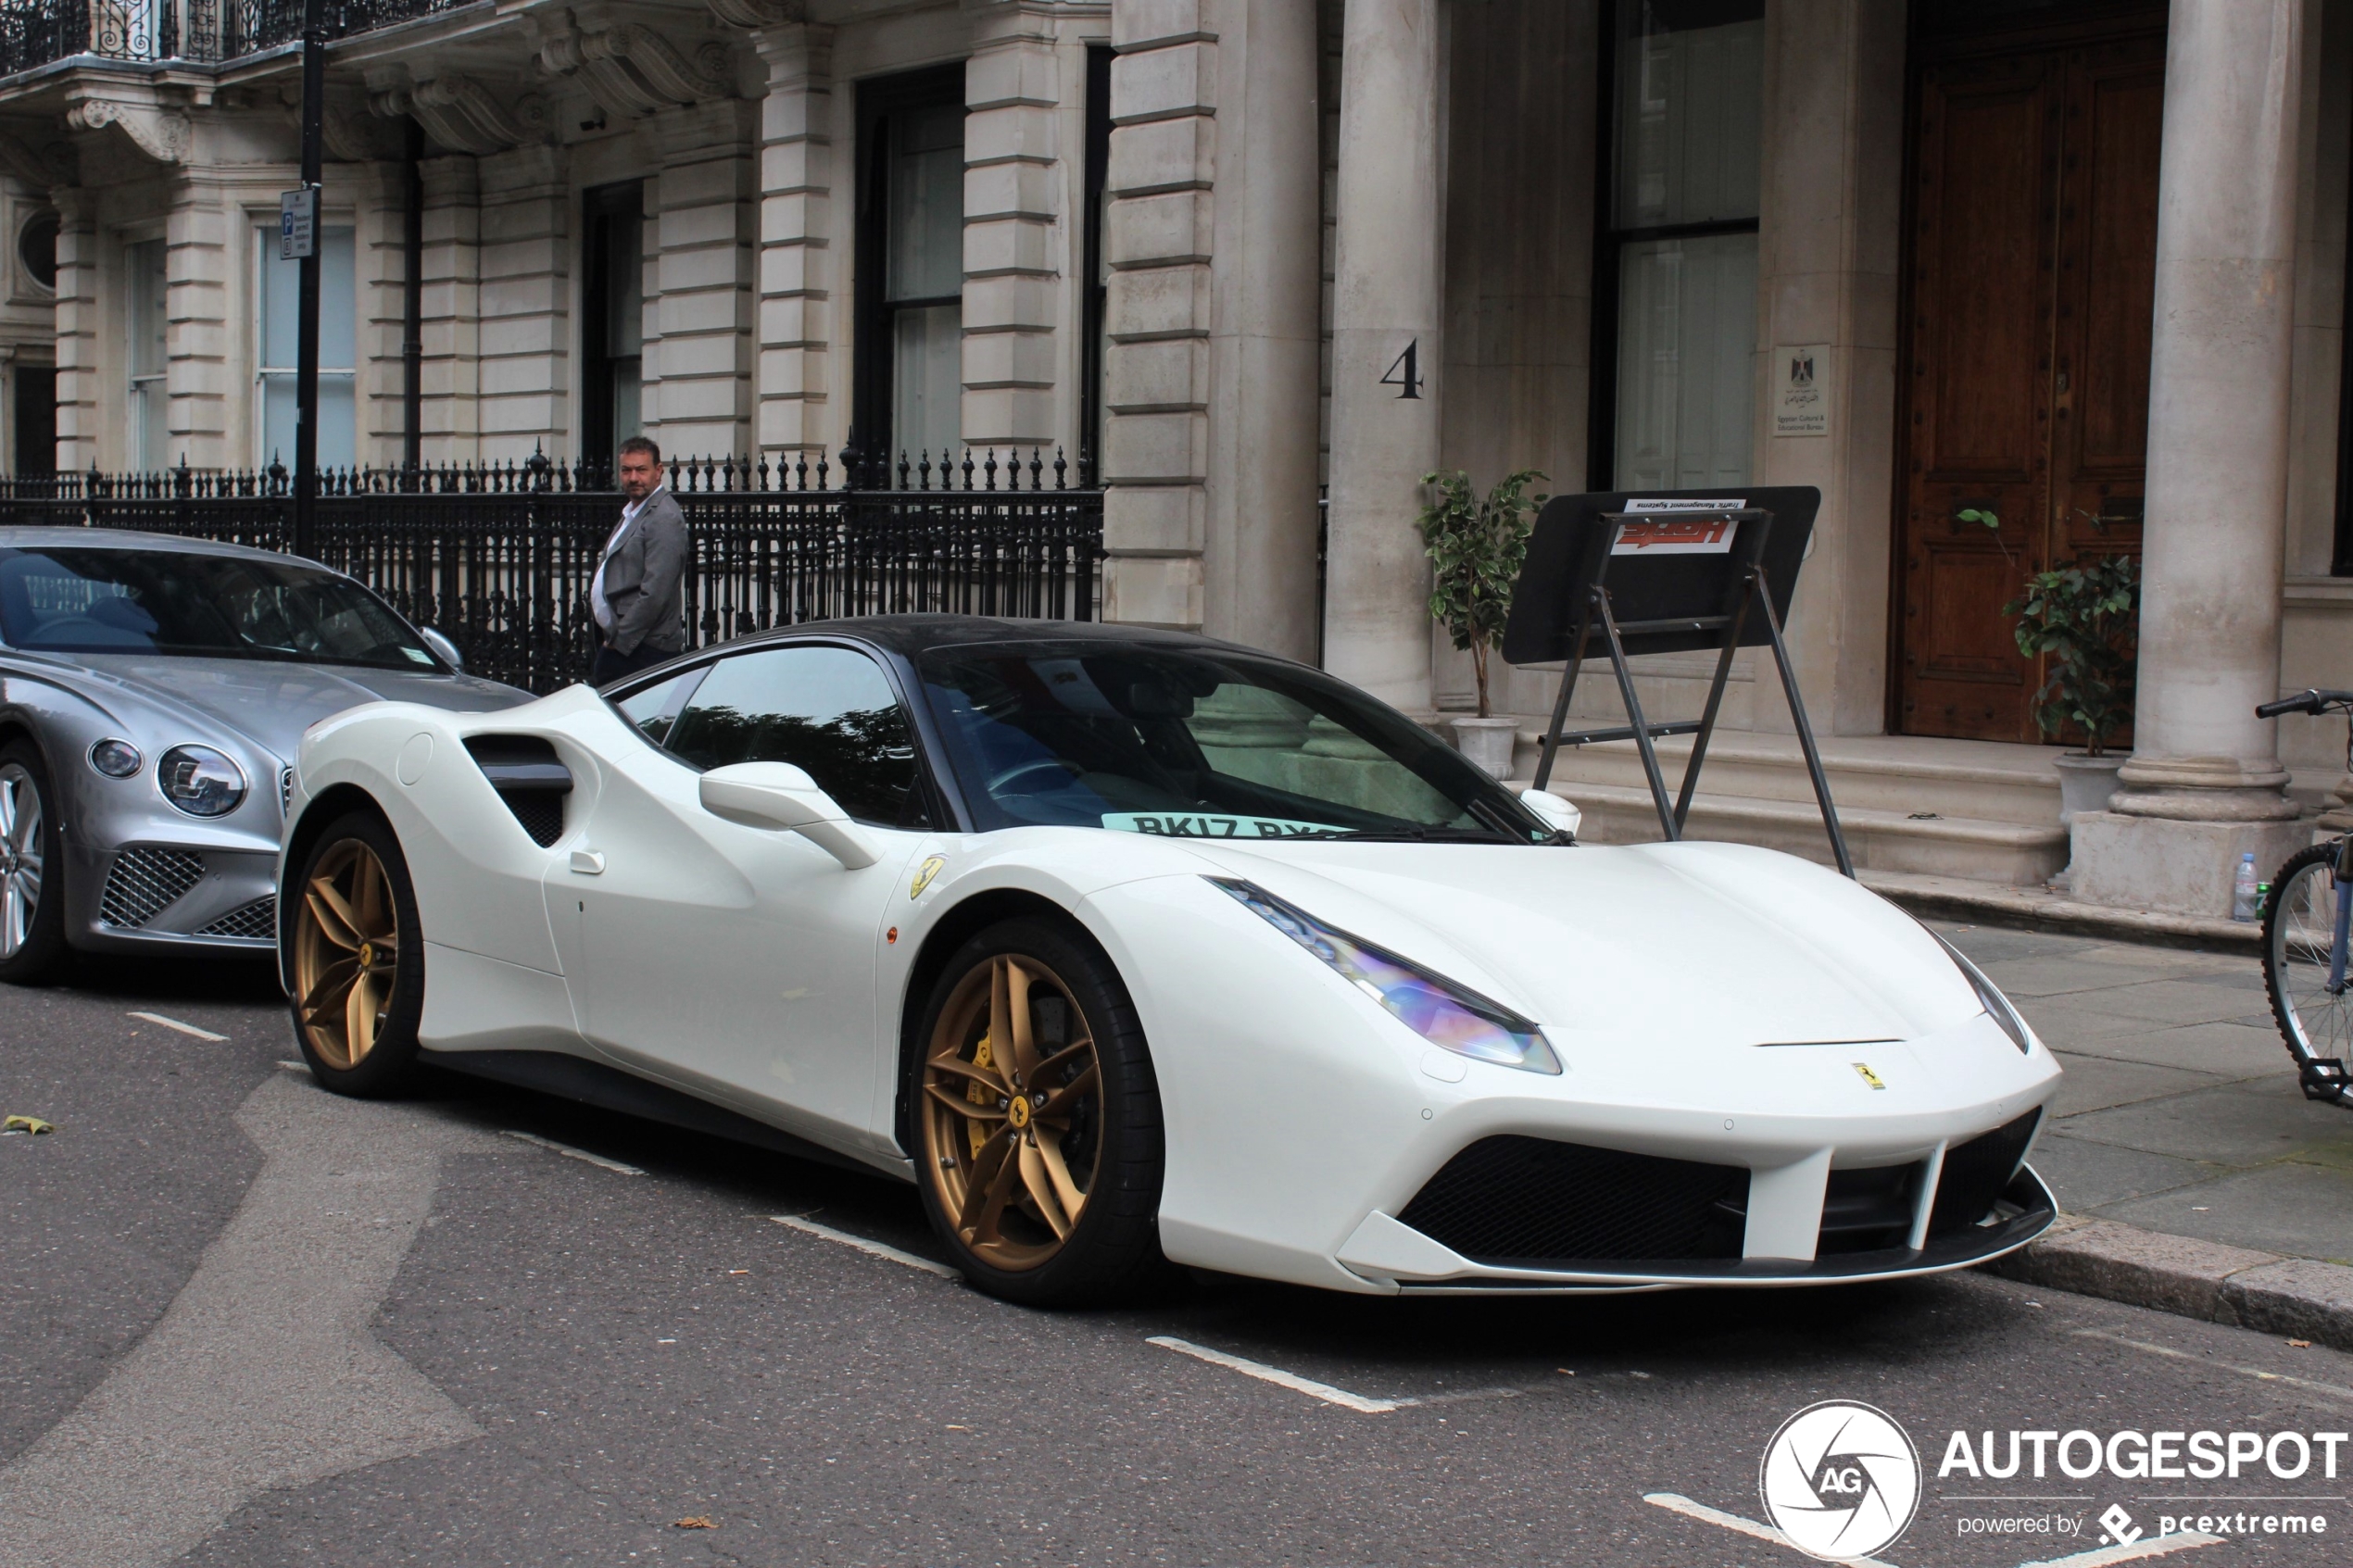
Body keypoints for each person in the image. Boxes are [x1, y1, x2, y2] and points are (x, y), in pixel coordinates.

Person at [588, 436, 686, 686]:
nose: (633, 478)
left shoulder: (663, 517)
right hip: (625, 645)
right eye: (626, 470)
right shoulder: (633, 513)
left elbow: (655, 592)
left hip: (643, 649)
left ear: (658, 471)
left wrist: (619, 643)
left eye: (641, 469)